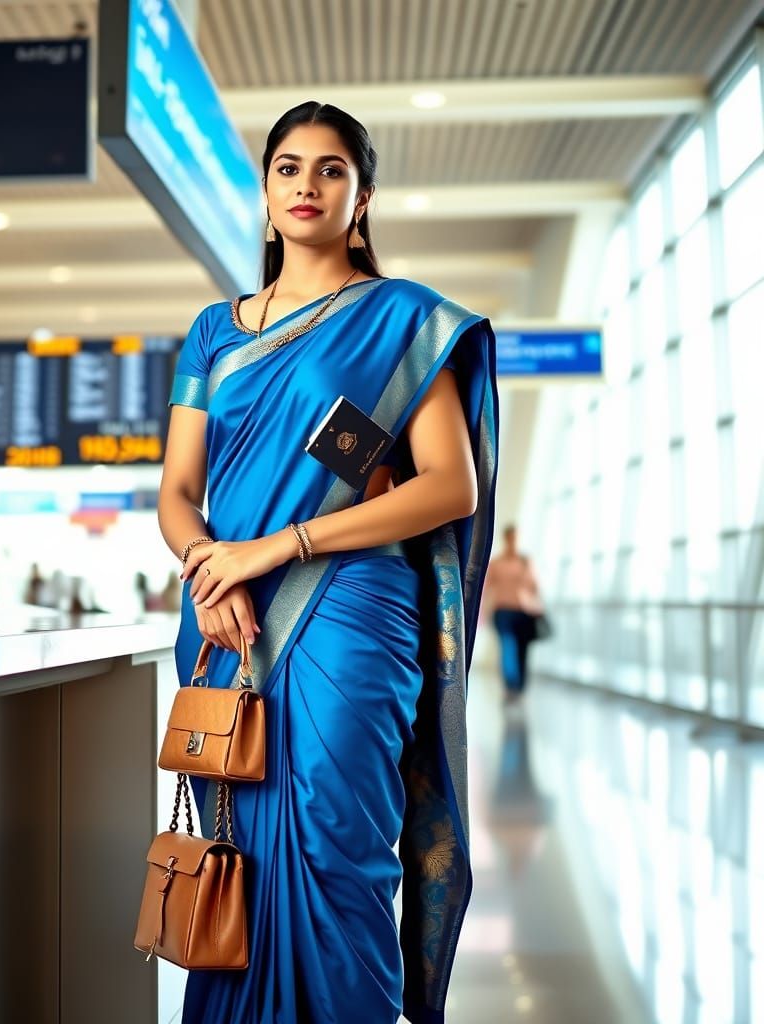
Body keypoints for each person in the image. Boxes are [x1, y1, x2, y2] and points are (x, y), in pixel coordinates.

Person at [157, 102, 498, 1024]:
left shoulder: (403, 320)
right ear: (266, 195)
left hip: (350, 611)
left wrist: (280, 546)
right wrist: (206, 567)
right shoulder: (214, 331)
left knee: (339, 848)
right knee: (236, 857)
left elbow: (450, 486)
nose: (306, 184)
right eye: (288, 168)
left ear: (362, 198)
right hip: (225, 619)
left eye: (331, 169)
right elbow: (177, 492)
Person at [484, 525, 544, 700]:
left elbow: (535, 587)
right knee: (507, 647)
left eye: (516, 538)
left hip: (524, 612)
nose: (513, 542)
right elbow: (487, 589)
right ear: (506, 539)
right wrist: (486, 612)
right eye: (511, 538)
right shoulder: (496, 563)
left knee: (522, 651)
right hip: (503, 612)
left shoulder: (525, 561)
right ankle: (510, 685)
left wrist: (535, 604)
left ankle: (520, 687)